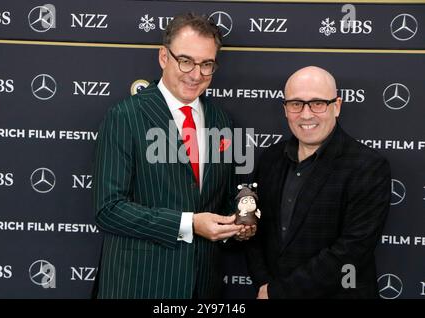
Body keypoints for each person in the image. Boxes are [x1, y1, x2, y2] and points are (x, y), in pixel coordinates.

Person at [93, 13, 251, 299]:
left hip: (202, 287)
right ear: (164, 57)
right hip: (138, 286)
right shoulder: (125, 116)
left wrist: (238, 225)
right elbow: (108, 209)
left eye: (207, 64)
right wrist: (189, 224)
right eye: (186, 61)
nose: (195, 74)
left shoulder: (223, 122)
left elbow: (229, 196)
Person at [246, 66, 391, 298]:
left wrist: (278, 293)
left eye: (317, 103)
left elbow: (352, 251)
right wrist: (264, 284)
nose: (305, 114)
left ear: (337, 106)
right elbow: (254, 231)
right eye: (296, 104)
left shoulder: (368, 166)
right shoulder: (270, 159)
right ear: (285, 109)